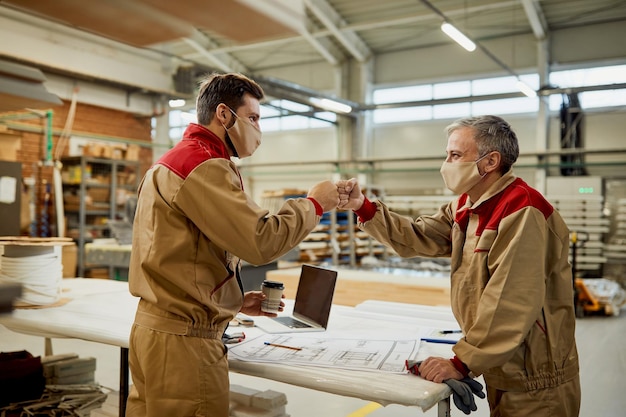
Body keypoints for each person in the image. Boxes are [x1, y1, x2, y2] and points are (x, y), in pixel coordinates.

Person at [126, 72, 339, 417]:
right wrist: (314, 204)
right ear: (224, 115)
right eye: (253, 118)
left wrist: (233, 301)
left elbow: (181, 255)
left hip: (155, 331)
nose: (258, 129)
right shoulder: (204, 165)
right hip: (185, 345)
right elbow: (260, 240)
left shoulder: (171, 161)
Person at [337, 115, 580, 417]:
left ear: (490, 161)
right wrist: (364, 207)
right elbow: (418, 236)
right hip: (504, 360)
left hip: (534, 373)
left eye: (455, 155)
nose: (447, 164)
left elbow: (511, 300)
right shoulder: (467, 205)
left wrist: (462, 362)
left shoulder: (522, 210)